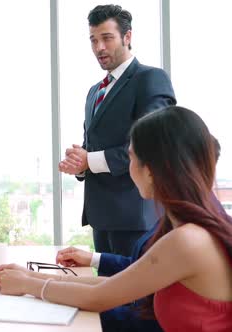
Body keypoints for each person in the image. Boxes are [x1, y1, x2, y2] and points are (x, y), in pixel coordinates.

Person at [0, 106, 232, 331]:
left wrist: (29, 285)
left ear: (149, 170)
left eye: (131, 158)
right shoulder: (188, 227)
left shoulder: (188, 240)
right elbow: (113, 285)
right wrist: (29, 277)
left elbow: (100, 297)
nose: (129, 168)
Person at [58, 4, 176, 256]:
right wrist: (80, 163)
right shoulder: (94, 92)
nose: (99, 47)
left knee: (135, 293)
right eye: (93, 40)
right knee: (108, 292)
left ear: (127, 37)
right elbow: (92, 147)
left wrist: (89, 159)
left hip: (137, 218)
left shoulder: (151, 79)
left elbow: (151, 146)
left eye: (107, 38)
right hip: (101, 218)